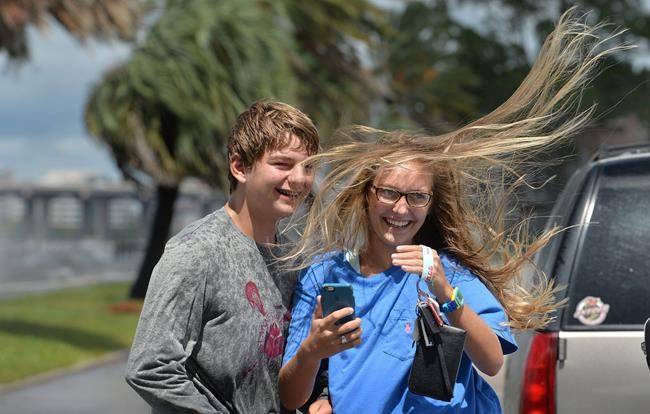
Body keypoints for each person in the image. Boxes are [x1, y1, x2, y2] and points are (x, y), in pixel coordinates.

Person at [279, 10, 628, 414]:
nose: (401, 209)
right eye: (389, 192)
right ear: (366, 196)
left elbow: (492, 360)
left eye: (417, 197)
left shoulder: (446, 274)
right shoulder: (324, 276)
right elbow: (290, 396)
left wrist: (446, 294)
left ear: (431, 206)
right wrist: (312, 352)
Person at [125, 100, 324, 413]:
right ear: (240, 166)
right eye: (283, 164)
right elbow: (151, 367)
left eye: (308, 167)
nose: (300, 179)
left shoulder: (292, 259)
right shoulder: (197, 251)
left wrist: (322, 397)